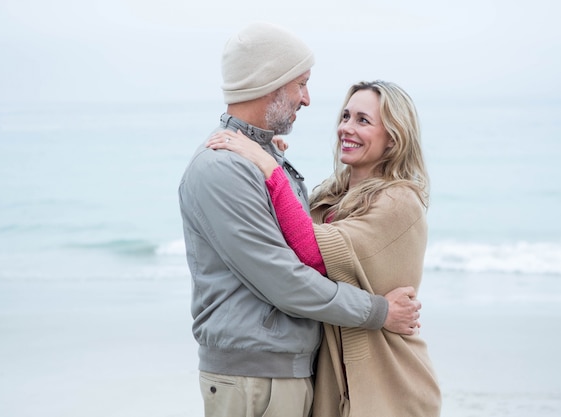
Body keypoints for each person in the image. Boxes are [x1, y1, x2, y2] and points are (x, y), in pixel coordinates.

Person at [178, 22, 422, 417]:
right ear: (269, 83)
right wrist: (379, 311)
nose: (307, 99)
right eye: (301, 84)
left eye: (363, 120)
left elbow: (303, 238)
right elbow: (286, 276)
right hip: (256, 379)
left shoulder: (262, 159)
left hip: (289, 374)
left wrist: (269, 158)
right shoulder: (223, 168)